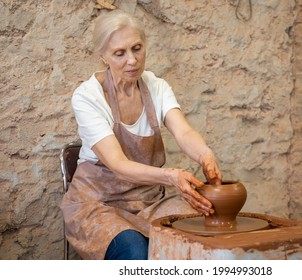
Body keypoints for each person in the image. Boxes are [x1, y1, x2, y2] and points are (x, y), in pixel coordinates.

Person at [60, 10, 222, 260]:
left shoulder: (157, 87)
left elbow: (184, 131)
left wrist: (205, 154)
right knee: (136, 252)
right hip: (98, 204)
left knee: (207, 231)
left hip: (149, 200)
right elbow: (118, 164)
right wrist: (171, 176)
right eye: (120, 53)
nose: (132, 60)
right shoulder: (87, 96)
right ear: (103, 56)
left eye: (137, 48)